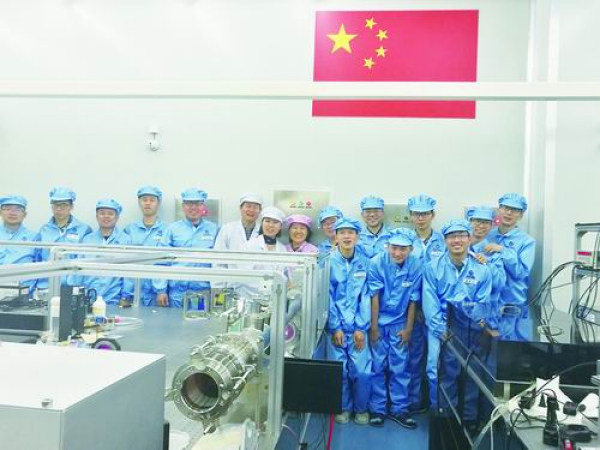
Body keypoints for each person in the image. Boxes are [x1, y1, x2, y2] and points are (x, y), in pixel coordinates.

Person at [422, 220, 492, 409]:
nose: (457, 240)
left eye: (461, 236)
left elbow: (482, 303)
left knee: (469, 371)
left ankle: (466, 416)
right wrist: (440, 329)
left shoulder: (482, 269)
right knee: (435, 370)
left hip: (469, 328)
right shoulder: (432, 267)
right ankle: (440, 413)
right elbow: (429, 301)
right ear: (445, 241)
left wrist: (471, 326)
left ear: (469, 239)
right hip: (440, 326)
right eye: (452, 236)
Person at [368, 228, 422, 429]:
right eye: (394, 248)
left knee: (400, 368)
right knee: (377, 366)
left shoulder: (416, 265)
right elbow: (374, 296)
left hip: (400, 324)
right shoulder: (376, 262)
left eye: (403, 249)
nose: (397, 253)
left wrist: (408, 329)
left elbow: (413, 299)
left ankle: (400, 409)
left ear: (411, 249)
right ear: (387, 246)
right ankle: (378, 409)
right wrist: (374, 327)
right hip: (379, 322)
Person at [327, 217, 372, 426]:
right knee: (339, 371)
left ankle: (361, 409)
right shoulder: (327, 262)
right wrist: (335, 326)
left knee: (362, 372)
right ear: (336, 237)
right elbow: (327, 297)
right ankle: (343, 408)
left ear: (357, 236)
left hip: (358, 329)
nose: (346, 236)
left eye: (351, 232)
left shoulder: (365, 263)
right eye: (342, 232)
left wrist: (361, 327)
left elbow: (366, 297)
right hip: (335, 329)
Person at [406, 193, 444, 415]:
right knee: (413, 357)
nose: (420, 218)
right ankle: (414, 401)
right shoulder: (404, 241)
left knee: (437, 361)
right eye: (416, 214)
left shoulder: (444, 241)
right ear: (410, 216)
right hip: (411, 309)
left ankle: (436, 406)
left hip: (438, 309)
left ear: (433, 215)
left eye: (425, 214)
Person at [154, 188, 218, 308]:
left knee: (200, 319)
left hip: (202, 293)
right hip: (177, 293)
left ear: (203, 206)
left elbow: (219, 262)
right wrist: (161, 290)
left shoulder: (214, 229)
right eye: (189, 203)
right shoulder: (172, 229)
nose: (193, 207)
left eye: (197, 203)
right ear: (183, 206)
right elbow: (161, 261)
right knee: (174, 320)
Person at [484, 194, 535, 341]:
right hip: (488, 304)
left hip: (512, 306)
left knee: (510, 348)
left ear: (521, 214)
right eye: (506, 208)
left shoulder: (527, 242)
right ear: (499, 210)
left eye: (514, 210)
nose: (509, 213)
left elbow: (521, 272)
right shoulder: (487, 236)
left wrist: (503, 250)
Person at [74, 199, 133, 305]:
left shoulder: (125, 240)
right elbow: (79, 270)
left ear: (117, 217)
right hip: (88, 298)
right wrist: (77, 294)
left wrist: (125, 296)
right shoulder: (87, 240)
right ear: (97, 216)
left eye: (110, 214)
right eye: (102, 213)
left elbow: (129, 272)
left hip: (114, 299)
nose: (106, 216)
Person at [35, 187, 92, 290]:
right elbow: (37, 259)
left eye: (63, 205)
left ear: (71, 206)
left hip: (73, 287)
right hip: (46, 286)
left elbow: (86, 262)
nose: (59, 209)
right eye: (56, 205)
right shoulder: (44, 230)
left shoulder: (83, 230)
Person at [123, 186, 167, 306]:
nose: (148, 203)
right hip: (133, 290)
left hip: (156, 292)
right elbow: (125, 262)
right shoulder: (130, 229)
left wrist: (161, 290)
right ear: (139, 202)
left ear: (158, 203)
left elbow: (165, 262)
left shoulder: (167, 230)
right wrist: (125, 293)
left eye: (152, 200)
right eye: (144, 200)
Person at [238, 207, 288, 299]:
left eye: (275, 222)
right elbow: (244, 276)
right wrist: (265, 291)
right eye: (267, 221)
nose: (271, 225)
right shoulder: (249, 246)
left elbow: (283, 277)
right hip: (250, 298)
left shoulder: (282, 249)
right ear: (262, 223)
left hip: (275, 299)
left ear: (280, 226)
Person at [0, 195, 37, 270]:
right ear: (0, 212)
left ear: (25, 214)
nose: (12, 213)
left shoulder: (34, 237)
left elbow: (40, 264)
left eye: (18, 209)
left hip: (23, 276)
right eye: (7, 209)